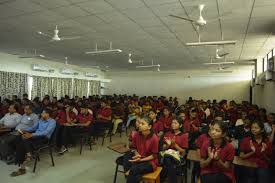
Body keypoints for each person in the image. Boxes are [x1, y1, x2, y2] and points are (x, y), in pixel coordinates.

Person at [10, 109, 56, 176]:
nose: (41, 114)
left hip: (44, 138)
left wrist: (31, 135)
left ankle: (25, 160)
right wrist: (25, 130)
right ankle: (26, 158)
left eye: (43, 113)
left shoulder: (52, 121)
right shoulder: (41, 120)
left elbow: (45, 132)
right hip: (36, 136)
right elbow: (33, 128)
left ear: (47, 114)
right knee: (21, 140)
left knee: (24, 139)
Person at [123, 115, 159, 183]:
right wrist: (137, 154)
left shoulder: (154, 138)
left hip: (150, 162)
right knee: (126, 157)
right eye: (139, 123)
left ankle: (130, 174)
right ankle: (130, 176)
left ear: (149, 127)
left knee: (134, 169)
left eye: (142, 124)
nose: (139, 125)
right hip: (139, 158)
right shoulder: (137, 135)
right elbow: (134, 148)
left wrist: (140, 160)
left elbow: (154, 156)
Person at [160, 117, 189, 183]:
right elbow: (163, 148)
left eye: (175, 123)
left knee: (168, 161)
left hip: (178, 156)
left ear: (180, 125)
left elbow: (183, 152)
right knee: (168, 159)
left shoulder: (184, 135)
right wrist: (168, 145)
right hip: (167, 155)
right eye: (172, 123)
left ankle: (163, 179)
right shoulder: (168, 133)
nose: (173, 124)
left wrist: (174, 144)